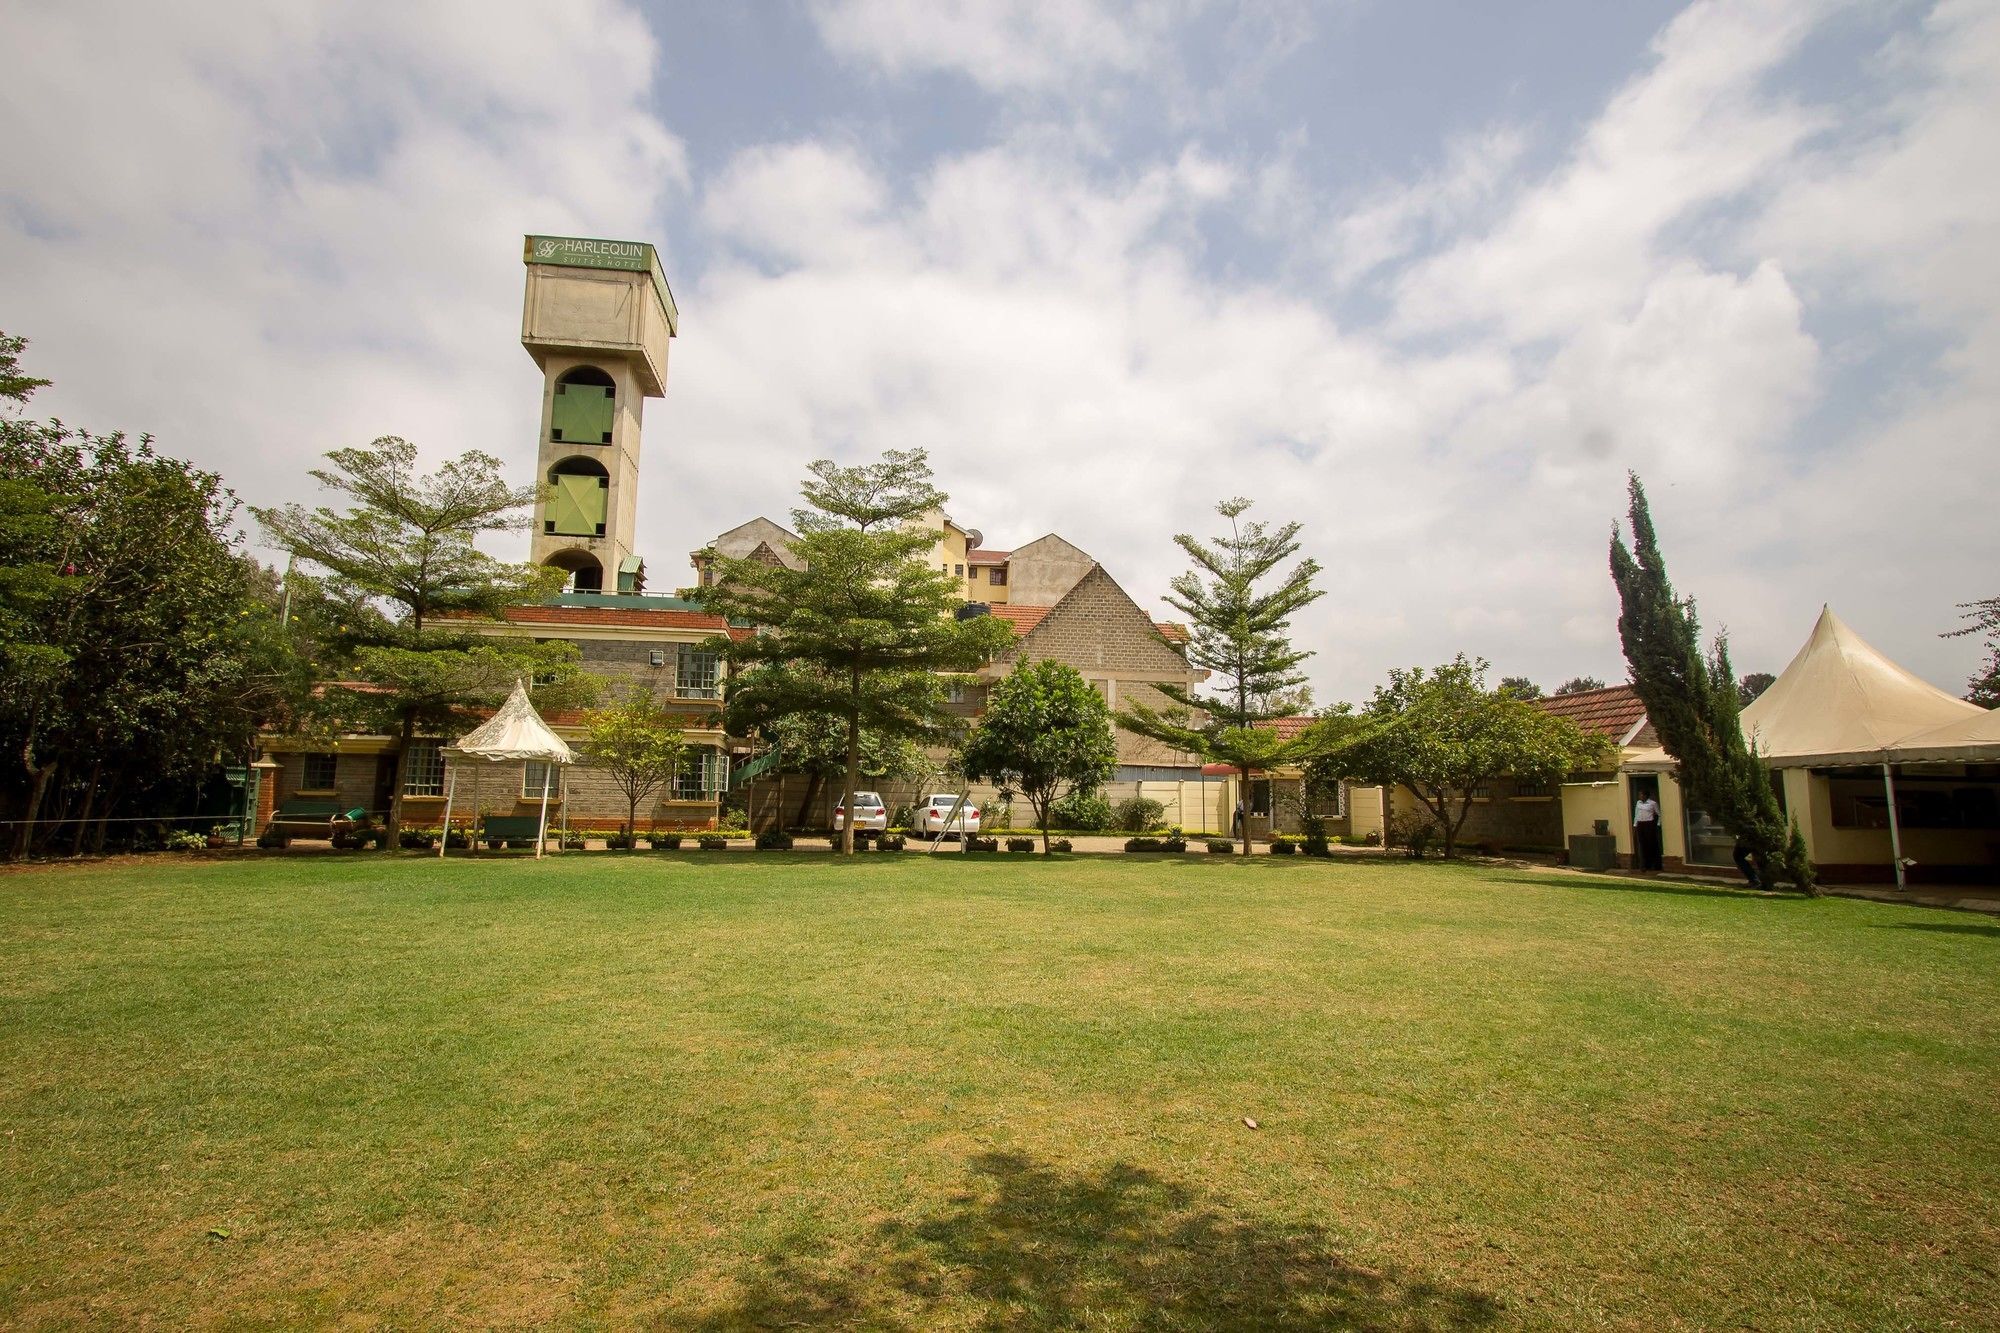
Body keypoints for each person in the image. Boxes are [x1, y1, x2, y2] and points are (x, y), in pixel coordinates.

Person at [1632, 792, 1663, 871]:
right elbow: (1636, 814)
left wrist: (1658, 825)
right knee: (1642, 845)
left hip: (1649, 824)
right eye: (1639, 795)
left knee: (1651, 844)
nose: (1640, 796)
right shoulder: (1638, 803)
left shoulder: (1653, 803)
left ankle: (1656, 865)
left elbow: (1659, 814)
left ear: (1645, 795)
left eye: (1641, 795)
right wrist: (1635, 825)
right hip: (1640, 824)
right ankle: (1645, 865)